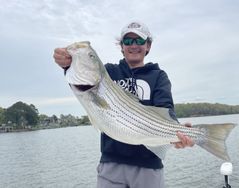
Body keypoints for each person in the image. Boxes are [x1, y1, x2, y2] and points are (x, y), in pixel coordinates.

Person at [53, 21, 194, 188]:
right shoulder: (109, 72)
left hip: (149, 166)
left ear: (148, 46)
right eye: (127, 41)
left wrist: (178, 131)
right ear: (121, 46)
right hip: (112, 164)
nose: (133, 45)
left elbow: (166, 111)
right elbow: (80, 76)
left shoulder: (159, 76)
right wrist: (68, 64)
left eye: (139, 41)